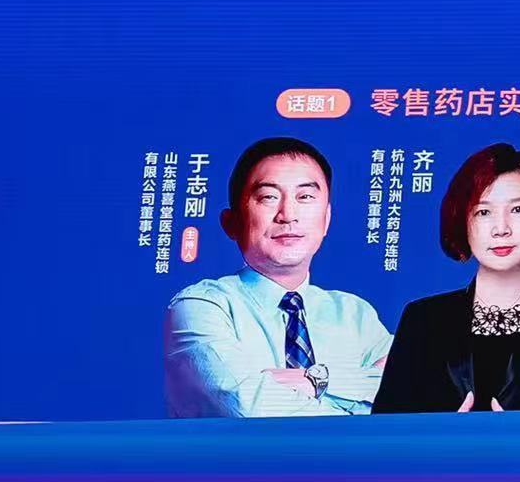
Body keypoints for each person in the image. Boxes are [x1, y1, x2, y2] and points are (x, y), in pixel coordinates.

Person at [165, 137, 392, 416]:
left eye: (305, 197)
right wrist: (357, 400)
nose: (288, 215)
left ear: (327, 219)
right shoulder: (201, 306)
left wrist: (315, 380)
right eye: (268, 197)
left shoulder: (355, 315)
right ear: (231, 222)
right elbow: (248, 407)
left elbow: (404, 395)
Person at [374, 143, 520, 413]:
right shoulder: (423, 319)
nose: (501, 229)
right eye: (483, 212)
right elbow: (386, 426)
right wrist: (442, 433)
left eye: (518, 209)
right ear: (462, 220)